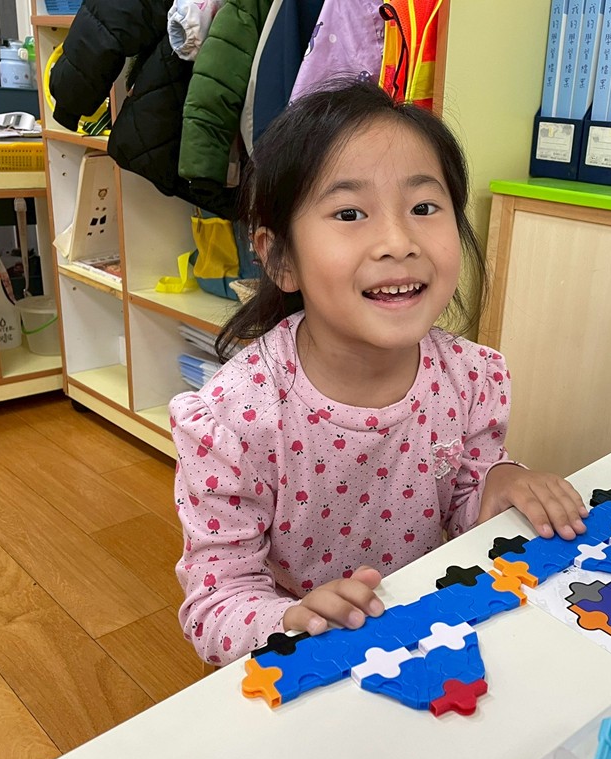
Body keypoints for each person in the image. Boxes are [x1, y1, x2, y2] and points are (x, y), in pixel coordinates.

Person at [171, 80, 588, 666]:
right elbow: (217, 601)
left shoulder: (470, 377)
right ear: (281, 258)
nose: (398, 241)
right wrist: (291, 620)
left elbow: (463, 496)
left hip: (425, 639)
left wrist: (497, 483)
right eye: (349, 213)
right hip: (306, 663)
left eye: (424, 208)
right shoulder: (234, 418)